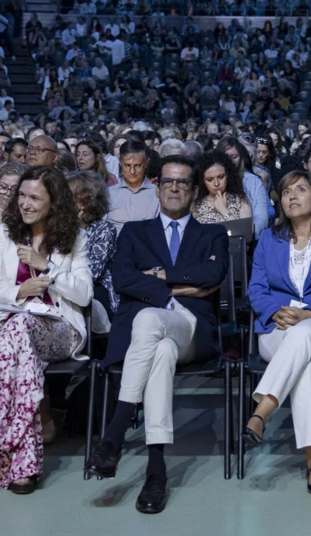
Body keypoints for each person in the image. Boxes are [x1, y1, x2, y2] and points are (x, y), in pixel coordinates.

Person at [88, 156, 228, 515]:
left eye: (183, 182)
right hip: (151, 335)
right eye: (168, 181)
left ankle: (116, 430)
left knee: (150, 319)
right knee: (160, 348)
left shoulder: (212, 233)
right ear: (158, 187)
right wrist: (178, 287)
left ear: (195, 190)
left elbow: (212, 276)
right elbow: (122, 279)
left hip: (192, 330)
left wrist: (157, 276)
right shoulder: (134, 231)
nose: (176, 188)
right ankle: (156, 470)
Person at [0, 166, 92, 494]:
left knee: (20, 332)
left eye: (34, 197)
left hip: (56, 328)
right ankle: (25, 466)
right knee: (18, 343)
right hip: (6, 324)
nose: (24, 203)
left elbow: (83, 294)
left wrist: (47, 267)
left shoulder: (74, 237)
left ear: (54, 203)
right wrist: (18, 292)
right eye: (21, 195)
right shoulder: (4, 234)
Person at [242, 170, 311, 498]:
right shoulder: (268, 239)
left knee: (304, 334)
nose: (292, 196)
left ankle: (262, 409)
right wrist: (274, 311)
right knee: (307, 366)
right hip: (276, 327)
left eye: (300, 190)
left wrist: (308, 313)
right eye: (286, 191)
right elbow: (257, 288)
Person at [68, 170, 119, 319]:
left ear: (85, 200)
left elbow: (93, 272)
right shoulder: (60, 226)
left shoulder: (104, 229)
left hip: (95, 290)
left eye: (68, 196)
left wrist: (76, 230)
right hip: (64, 285)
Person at [106, 140, 159, 231]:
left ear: (146, 162)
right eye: (127, 165)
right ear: (120, 162)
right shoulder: (108, 194)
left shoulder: (157, 194)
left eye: (137, 166)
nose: (132, 171)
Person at [192, 150, 253, 227]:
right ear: (202, 181)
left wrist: (224, 210)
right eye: (210, 180)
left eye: (221, 177)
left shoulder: (240, 200)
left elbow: (246, 232)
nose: (216, 184)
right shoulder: (196, 204)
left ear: (227, 175)